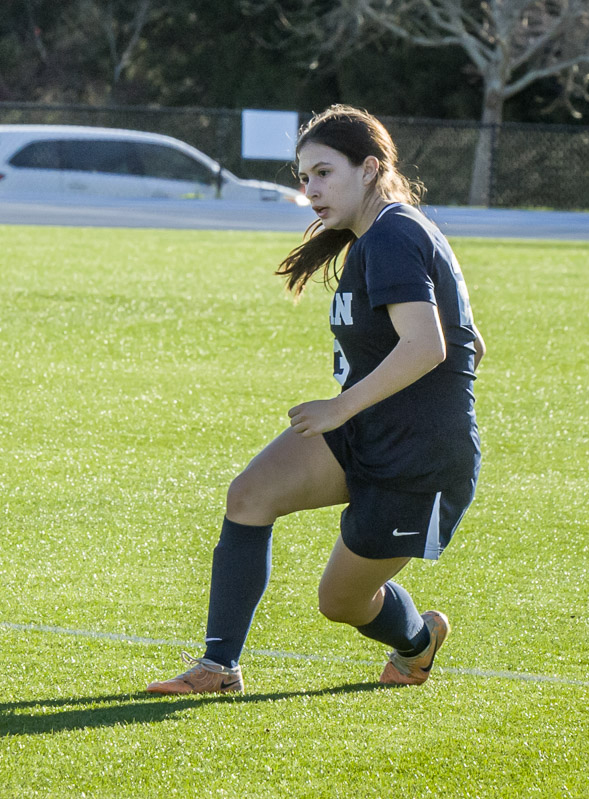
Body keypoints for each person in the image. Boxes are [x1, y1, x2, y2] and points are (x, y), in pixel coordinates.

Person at [147, 104, 484, 695]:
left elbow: (429, 345)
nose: (310, 191)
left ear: (371, 168)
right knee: (249, 496)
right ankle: (219, 668)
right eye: (303, 178)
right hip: (371, 430)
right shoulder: (380, 237)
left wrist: (342, 406)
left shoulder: (395, 234)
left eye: (324, 173)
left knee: (341, 602)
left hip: (418, 457)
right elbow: (470, 342)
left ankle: (417, 641)